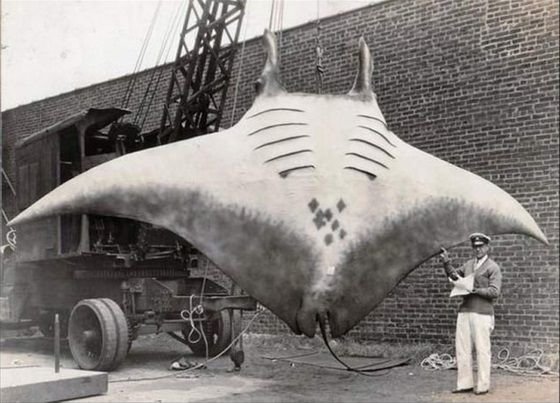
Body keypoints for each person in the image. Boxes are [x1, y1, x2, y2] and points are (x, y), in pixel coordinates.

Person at [439, 232, 502, 396]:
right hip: (465, 311)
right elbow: (455, 276)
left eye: (481, 246)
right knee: (462, 348)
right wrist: (447, 263)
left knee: (482, 349)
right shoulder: (468, 264)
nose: (478, 249)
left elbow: (495, 291)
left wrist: (476, 290)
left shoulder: (492, 267)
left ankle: (482, 385)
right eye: (475, 247)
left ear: (487, 247)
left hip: (482, 313)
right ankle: (464, 383)